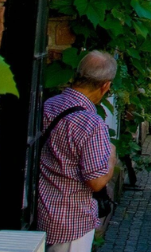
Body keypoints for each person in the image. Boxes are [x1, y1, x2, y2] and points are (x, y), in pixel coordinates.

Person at [36, 51, 119, 252]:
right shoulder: (91, 123)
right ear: (106, 85)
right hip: (72, 218)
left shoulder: (50, 104)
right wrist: (111, 157)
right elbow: (96, 181)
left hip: (42, 208)